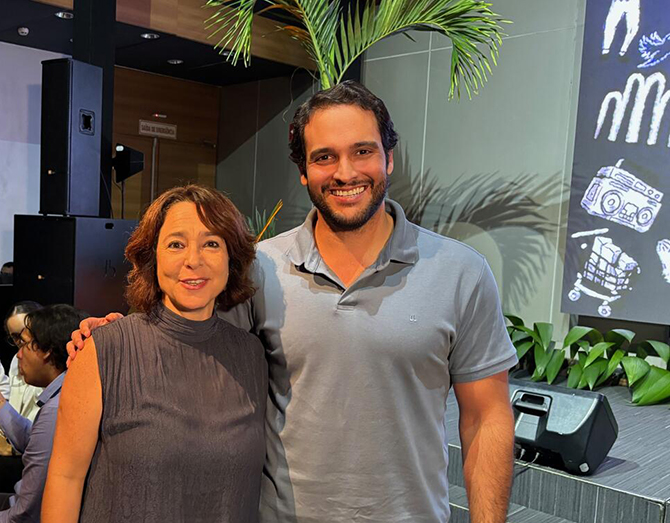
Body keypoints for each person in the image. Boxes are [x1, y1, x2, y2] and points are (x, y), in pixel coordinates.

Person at [70, 81, 517, 523]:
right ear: (304, 171)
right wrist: (113, 340)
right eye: (324, 157)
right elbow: (186, 346)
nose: (345, 173)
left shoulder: (461, 272)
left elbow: (486, 418)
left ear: (389, 158)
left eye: (362, 151)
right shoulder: (260, 269)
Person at [42, 186, 267, 523]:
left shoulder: (251, 354)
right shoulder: (105, 348)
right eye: (176, 244)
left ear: (230, 259)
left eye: (211, 243)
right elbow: (65, 479)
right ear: (153, 257)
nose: (193, 260)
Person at [0, 304, 86, 521]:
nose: (18, 354)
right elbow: (34, 440)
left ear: (47, 350)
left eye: (24, 343)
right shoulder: (63, 393)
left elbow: (26, 513)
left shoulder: (57, 409)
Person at [3, 303, 43, 424]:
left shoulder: (50, 362)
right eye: (15, 337)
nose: (21, 341)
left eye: (25, 333)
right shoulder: (16, 360)